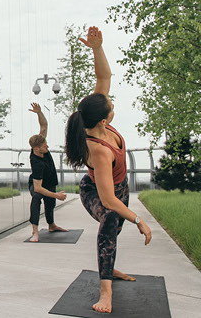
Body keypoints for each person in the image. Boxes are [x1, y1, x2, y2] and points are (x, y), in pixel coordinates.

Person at [63, 27, 151, 314]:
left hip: (120, 188)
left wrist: (96, 49)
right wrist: (140, 219)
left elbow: (104, 77)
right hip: (98, 191)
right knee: (110, 223)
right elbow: (109, 200)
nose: (112, 104)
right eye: (111, 105)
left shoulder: (94, 113)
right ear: (103, 120)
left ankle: (109, 269)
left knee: (116, 224)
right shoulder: (98, 150)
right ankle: (105, 290)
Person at [26, 102, 68, 242]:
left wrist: (39, 112)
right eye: (45, 146)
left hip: (49, 182)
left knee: (50, 204)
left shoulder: (40, 142)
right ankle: (35, 231)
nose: (47, 147)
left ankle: (52, 225)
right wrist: (56, 194)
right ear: (37, 149)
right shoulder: (36, 163)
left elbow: (44, 125)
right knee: (37, 198)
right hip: (38, 184)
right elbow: (38, 187)